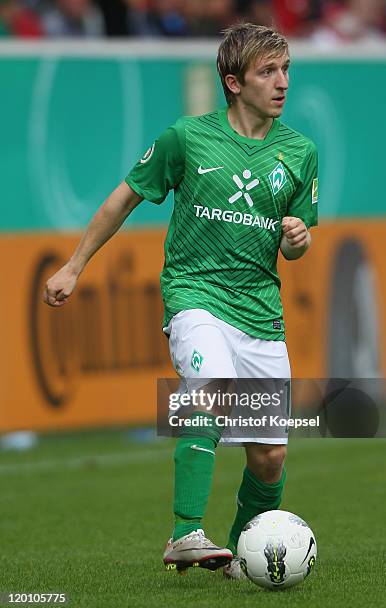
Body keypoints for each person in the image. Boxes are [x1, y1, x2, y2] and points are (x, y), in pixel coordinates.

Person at [44, 23, 318, 579]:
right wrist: (75, 265)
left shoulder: (301, 152)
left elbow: (295, 245)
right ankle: (184, 532)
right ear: (233, 82)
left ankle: (243, 556)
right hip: (195, 296)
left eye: (286, 69)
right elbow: (125, 196)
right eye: (268, 72)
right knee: (210, 392)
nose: (282, 82)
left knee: (270, 458)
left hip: (260, 312)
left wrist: (298, 240)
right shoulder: (186, 138)